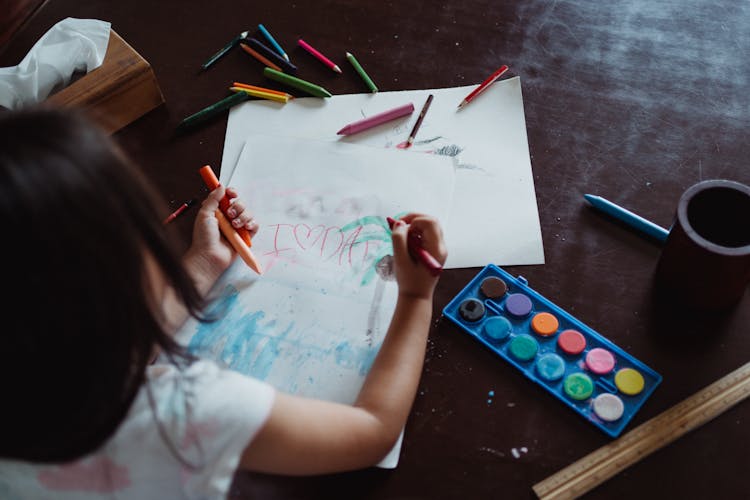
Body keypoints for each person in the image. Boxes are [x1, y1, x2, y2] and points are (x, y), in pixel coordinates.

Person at [0, 108, 447, 499]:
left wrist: (204, 263)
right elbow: (371, 432)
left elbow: (122, 347)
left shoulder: (37, 380)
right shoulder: (182, 416)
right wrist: (413, 294)